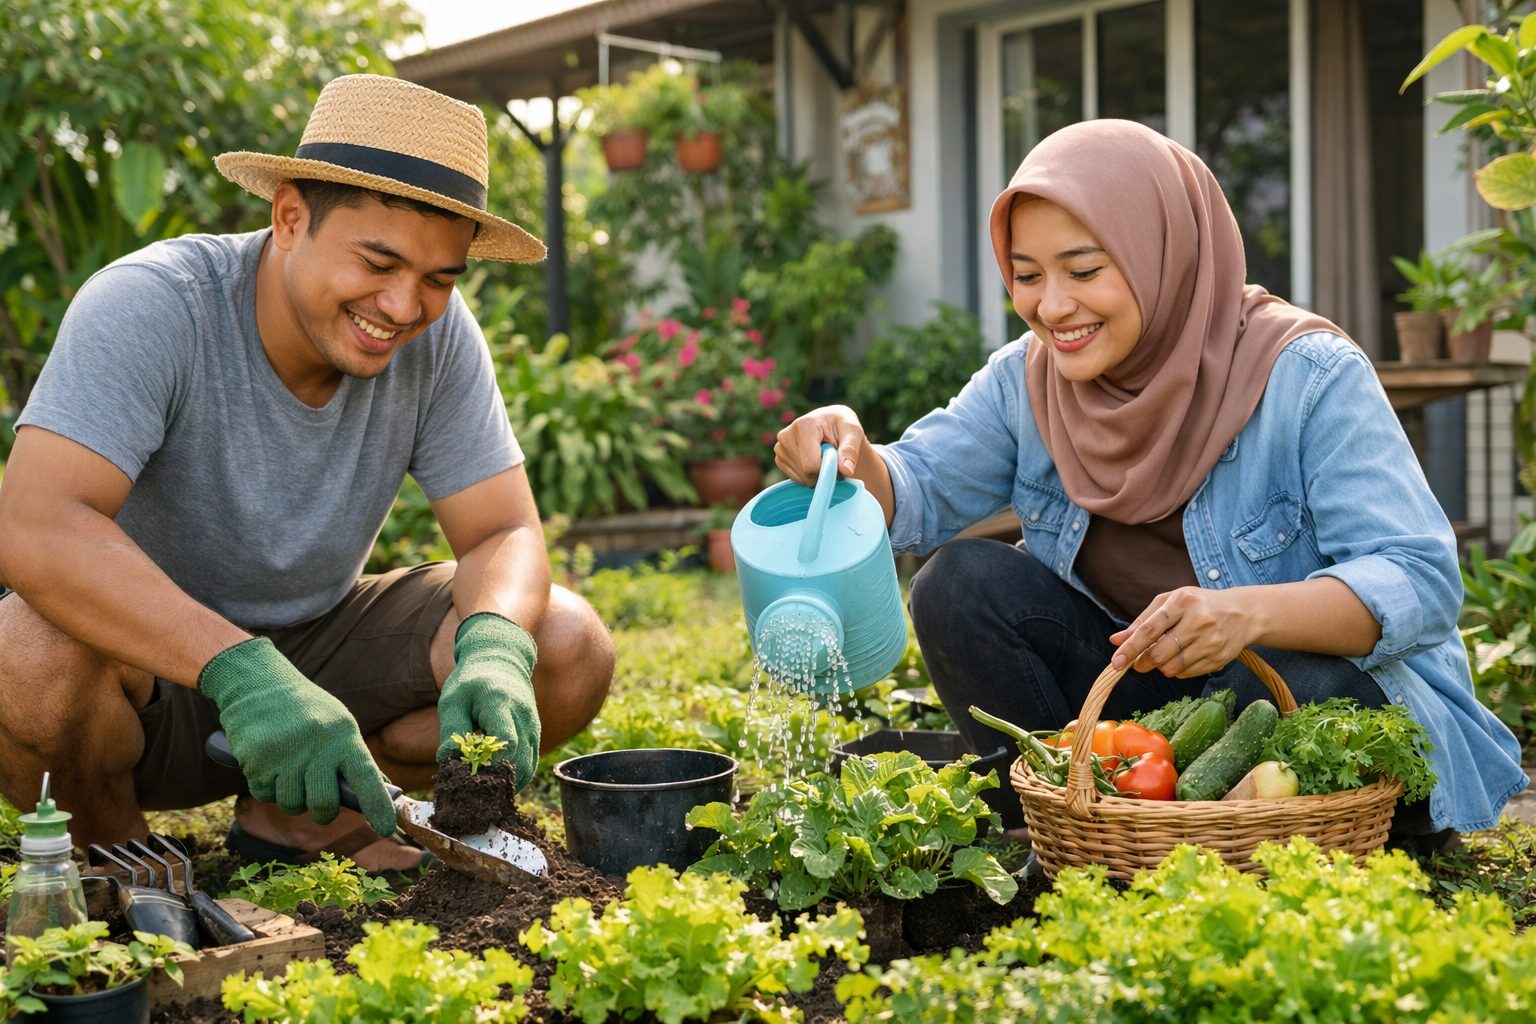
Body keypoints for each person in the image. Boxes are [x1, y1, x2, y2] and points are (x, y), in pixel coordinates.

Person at [776, 118, 1525, 849]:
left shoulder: (1305, 374)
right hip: (1162, 730)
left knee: (1290, 678)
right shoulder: (1029, 381)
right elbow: (917, 488)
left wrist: (1244, 615)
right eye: (1028, 276)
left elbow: (1418, 579)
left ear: (1158, 253)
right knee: (958, 584)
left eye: (1085, 269)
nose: (1053, 305)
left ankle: (1274, 844)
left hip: (1302, 706)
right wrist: (849, 452)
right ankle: (1073, 831)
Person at [0, 75, 614, 871]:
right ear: (290, 217)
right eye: (379, 261)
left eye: (438, 278)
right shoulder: (153, 304)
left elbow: (502, 528)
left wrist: (494, 645)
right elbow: (35, 523)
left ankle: (306, 820)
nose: (402, 307)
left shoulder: (438, 335)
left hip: (324, 653)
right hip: (144, 676)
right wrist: (239, 670)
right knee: (22, 653)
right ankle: (123, 865)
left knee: (564, 642)